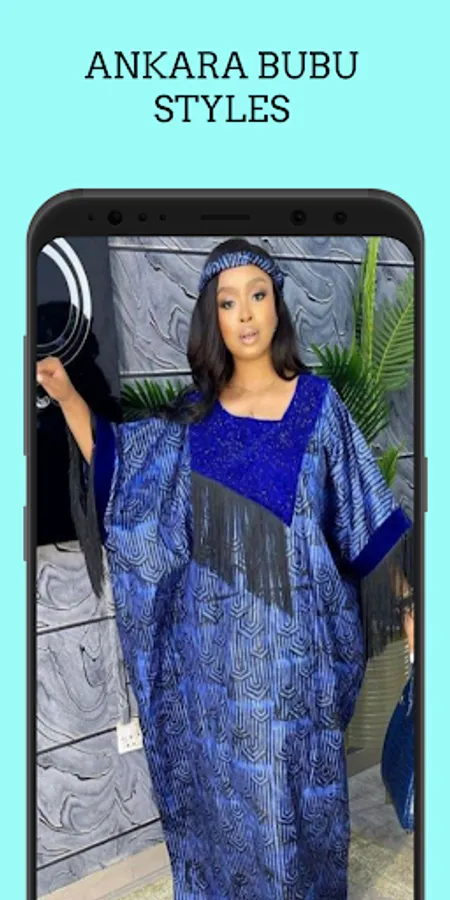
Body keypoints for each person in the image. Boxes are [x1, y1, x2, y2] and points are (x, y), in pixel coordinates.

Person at [37, 238, 414, 900]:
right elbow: (122, 471)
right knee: (235, 821)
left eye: (257, 296)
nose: (245, 314)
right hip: (216, 678)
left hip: (301, 667)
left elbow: (368, 518)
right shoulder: (194, 421)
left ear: (277, 306)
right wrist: (67, 396)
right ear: (212, 318)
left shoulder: (319, 406)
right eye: (228, 302)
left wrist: (411, 607)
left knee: (302, 814)